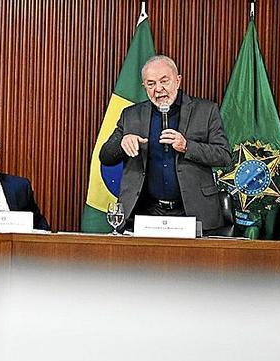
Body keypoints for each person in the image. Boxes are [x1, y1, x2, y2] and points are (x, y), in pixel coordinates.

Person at [99, 55, 232, 232]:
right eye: (151, 84)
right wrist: (121, 143)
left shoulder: (206, 111)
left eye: (164, 81)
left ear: (178, 81)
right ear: (144, 86)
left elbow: (224, 156)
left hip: (192, 212)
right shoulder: (131, 115)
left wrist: (187, 146)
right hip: (144, 212)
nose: (158, 89)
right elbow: (106, 157)